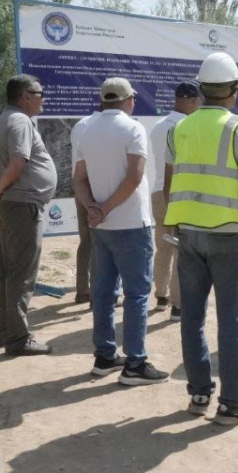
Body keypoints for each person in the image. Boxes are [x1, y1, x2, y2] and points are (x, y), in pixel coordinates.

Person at [163, 52, 238, 425]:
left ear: (202, 90)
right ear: (234, 89)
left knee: (191, 317)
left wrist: (176, 221)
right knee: (231, 320)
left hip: (189, 235)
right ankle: (232, 401)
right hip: (228, 235)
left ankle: (199, 393)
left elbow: (170, 184)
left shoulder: (180, 129)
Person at [73, 78, 168, 385]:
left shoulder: (87, 129)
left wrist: (93, 208)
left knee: (104, 292)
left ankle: (104, 357)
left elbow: (78, 179)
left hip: (102, 227)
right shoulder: (133, 128)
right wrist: (105, 208)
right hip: (131, 224)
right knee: (137, 294)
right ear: (129, 100)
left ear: (103, 100)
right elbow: (134, 178)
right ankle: (135, 363)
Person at [0, 74, 58, 356]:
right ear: (25, 96)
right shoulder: (20, 121)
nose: (43, 98)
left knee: (10, 271)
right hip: (22, 206)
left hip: (15, 204)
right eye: (40, 93)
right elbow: (17, 162)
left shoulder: (7, 119)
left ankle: (7, 332)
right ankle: (18, 339)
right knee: (21, 274)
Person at [149, 81, 202, 319]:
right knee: (182, 250)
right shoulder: (188, 127)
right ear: (191, 100)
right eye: (198, 101)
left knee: (163, 248)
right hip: (180, 194)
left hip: (158, 191)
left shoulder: (158, 126)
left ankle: (161, 295)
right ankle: (178, 305)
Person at [70, 107, 99, 305]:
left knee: (86, 240)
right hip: (96, 187)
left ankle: (82, 290)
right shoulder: (102, 127)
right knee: (100, 243)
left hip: (79, 186)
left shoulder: (80, 124)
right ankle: (98, 294)